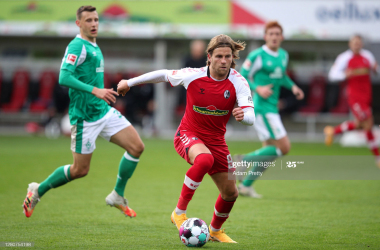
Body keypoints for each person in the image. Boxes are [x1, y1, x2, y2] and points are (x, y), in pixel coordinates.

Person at [117, 34, 255, 243]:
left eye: (228, 56)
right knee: (204, 160)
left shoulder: (238, 82)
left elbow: (251, 117)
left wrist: (244, 116)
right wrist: (129, 82)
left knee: (231, 193)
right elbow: (163, 74)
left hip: (217, 140)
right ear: (209, 57)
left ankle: (216, 230)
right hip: (188, 134)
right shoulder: (193, 75)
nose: (224, 61)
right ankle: (179, 212)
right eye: (219, 56)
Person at [22, 5, 144, 218]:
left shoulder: (94, 46)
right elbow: (63, 77)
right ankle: (37, 190)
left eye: (96, 20)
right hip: (84, 118)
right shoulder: (77, 46)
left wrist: (99, 95)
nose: (94, 24)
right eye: (88, 20)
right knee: (80, 170)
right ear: (78, 23)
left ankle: (117, 195)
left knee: (136, 147)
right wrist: (95, 90)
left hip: (103, 112)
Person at [236, 21, 304, 198]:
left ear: (281, 37)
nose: (274, 37)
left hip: (272, 107)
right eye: (271, 34)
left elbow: (281, 77)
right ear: (265, 36)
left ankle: (245, 186)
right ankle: (241, 161)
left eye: (277, 34)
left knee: (269, 153)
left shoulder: (283, 55)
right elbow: (242, 75)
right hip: (262, 108)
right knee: (284, 147)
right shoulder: (257, 55)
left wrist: (293, 87)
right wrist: (257, 88)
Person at [325, 35, 379, 168]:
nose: (356, 45)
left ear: (362, 44)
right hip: (354, 96)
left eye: (359, 43)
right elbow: (332, 75)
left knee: (360, 124)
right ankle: (378, 157)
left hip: (367, 95)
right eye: (354, 43)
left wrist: (375, 69)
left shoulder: (368, 56)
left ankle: (333, 131)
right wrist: (345, 75)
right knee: (368, 122)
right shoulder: (344, 58)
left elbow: (376, 70)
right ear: (350, 44)